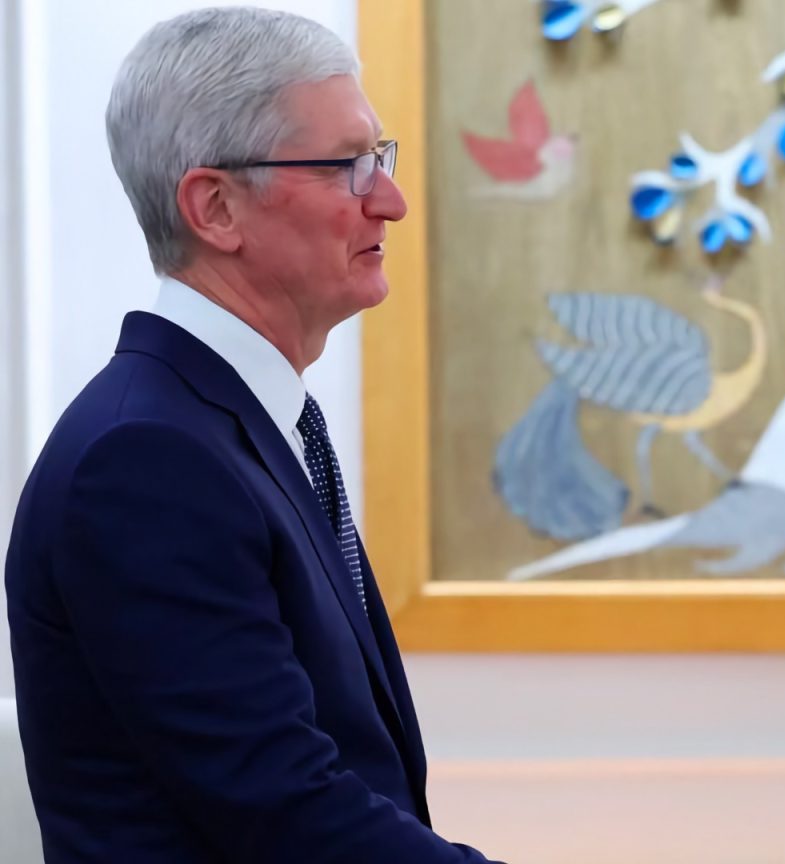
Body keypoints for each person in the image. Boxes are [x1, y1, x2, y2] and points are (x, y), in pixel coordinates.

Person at [5, 8, 501, 862]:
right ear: (216, 207)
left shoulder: (240, 427)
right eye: (347, 166)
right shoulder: (145, 462)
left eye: (378, 158)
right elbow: (284, 808)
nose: (391, 198)